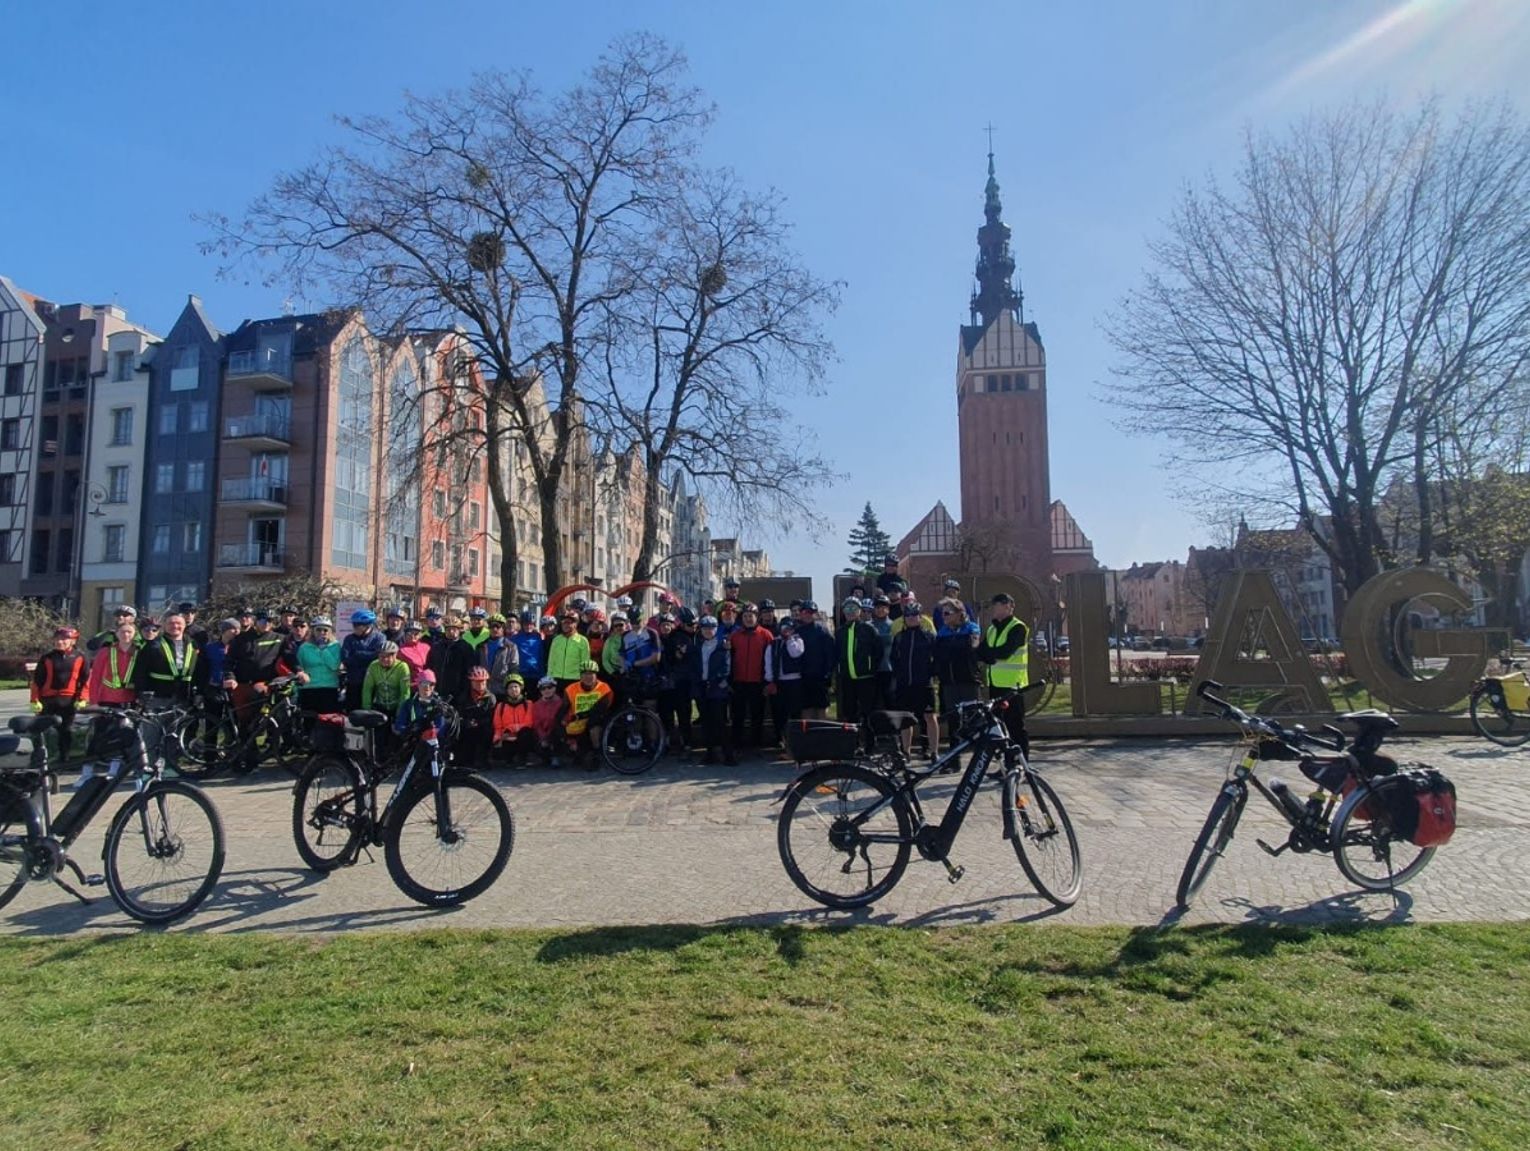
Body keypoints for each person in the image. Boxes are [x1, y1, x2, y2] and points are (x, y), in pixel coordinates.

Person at [80, 620, 140, 788]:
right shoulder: (107, 652)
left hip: (128, 700)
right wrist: (94, 703)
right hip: (106, 699)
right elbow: (96, 677)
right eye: (123, 632)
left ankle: (114, 771)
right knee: (99, 735)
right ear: (117, 634)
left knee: (123, 737)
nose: (126, 635)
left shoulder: (138, 652)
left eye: (129, 632)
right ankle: (86, 772)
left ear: (134, 634)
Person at [977, 592, 1032, 758]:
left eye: (996, 605)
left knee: (1015, 726)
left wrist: (989, 655)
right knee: (999, 727)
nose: (993, 609)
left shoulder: (1018, 627)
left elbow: (1005, 652)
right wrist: (989, 655)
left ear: (1008, 606)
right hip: (996, 684)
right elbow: (981, 651)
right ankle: (1006, 763)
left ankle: (1022, 763)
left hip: (1013, 686)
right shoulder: (993, 628)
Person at [30, 626, 88, 762]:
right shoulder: (47, 658)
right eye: (57, 639)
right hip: (47, 699)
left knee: (65, 730)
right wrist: (34, 700)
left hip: (68, 700)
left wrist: (83, 698)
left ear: (73, 641)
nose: (59, 642)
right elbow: (37, 680)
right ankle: (39, 757)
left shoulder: (80, 657)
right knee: (39, 730)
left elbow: (85, 680)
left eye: (64, 639)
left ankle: (64, 758)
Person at [891, 602, 940, 761]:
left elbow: (936, 659)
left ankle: (934, 751)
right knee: (906, 719)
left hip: (924, 684)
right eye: (908, 616)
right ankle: (906, 752)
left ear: (920, 617)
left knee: (930, 717)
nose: (911, 618)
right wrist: (899, 675)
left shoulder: (928, 636)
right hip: (904, 684)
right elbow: (894, 658)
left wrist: (930, 673)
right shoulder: (899, 637)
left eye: (914, 615)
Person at [933, 597, 983, 743]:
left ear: (958, 613)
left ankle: (978, 748)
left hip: (968, 679)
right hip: (949, 681)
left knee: (974, 716)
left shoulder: (972, 628)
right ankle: (954, 755)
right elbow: (938, 654)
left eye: (947, 613)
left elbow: (971, 647)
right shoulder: (942, 632)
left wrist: (951, 648)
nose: (944, 616)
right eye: (942, 613)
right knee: (953, 718)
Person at [688, 615, 734, 765]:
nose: (708, 631)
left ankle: (728, 754)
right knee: (706, 723)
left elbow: (726, 668)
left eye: (711, 628)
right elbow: (694, 667)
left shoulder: (723, 646)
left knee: (720, 722)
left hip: (717, 688)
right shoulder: (697, 646)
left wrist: (718, 681)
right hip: (701, 688)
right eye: (705, 628)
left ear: (716, 629)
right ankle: (710, 753)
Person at [728, 603, 772, 750]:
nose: (748, 619)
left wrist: (768, 681)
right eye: (745, 616)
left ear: (756, 617)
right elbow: (729, 657)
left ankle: (756, 745)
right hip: (739, 681)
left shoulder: (765, 635)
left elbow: (771, 660)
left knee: (757, 716)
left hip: (758, 681)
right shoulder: (735, 636)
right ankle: (736, 744)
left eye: (751, 616)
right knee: (738, 715)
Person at [836, 597, 883, 730]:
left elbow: (878, 652)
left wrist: (870, 668)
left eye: (854, 608)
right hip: (848, 679)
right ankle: (853, 744)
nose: (850, 611)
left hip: (866, 679)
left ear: (860, 611)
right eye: (847, 608)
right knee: (850, 713)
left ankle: (869, 744)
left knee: (868, 713)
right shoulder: (840, 632)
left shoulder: (869, 629)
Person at [134, 611, 200, 706]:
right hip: (159, 696)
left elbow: (200, 670)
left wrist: (199, 692)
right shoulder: (153, 645)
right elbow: (140, 670)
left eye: (178, 623)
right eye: (171, 623)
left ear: (185, 625)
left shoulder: (193, 645)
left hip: (185, 695)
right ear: (164, 626)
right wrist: (141, 692)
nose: (175, 626)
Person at [561, 660, 613, 769]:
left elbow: (600, 710)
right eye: (585, 674)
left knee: (594, 726)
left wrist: (583, 715)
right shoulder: (570, 689)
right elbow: (562, 712)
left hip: (596, 723)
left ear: (596, 675)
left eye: (591, 674)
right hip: (578, 725)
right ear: (580, 675)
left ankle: (598, 752)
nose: (588, 677)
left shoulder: (605, 688)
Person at [659, 610, 696, 754]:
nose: (666, 628)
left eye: (669, 625)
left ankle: (686, 743)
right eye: (663, 625)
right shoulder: (664, 638)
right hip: (669, 683)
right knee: (667, 715)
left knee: (684, 715)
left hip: (682, 682)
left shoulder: (685, 636)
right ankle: (670, 742)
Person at [764, 617, 804, 742]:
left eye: (789, 628)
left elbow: (795, 653)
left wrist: (789, 639)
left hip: (794, 681)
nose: (786, 631)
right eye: (784, 628)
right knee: (779, 713)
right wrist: (770, 680)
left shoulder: (798, 641)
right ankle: (779, 738)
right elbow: (768, 661)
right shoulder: (774, 643)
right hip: (778, 681)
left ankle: (795, 739)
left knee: (795, 712)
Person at [794, 601, 834, 721]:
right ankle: (807, 738)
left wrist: (828, 674)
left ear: (815, 614)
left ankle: (822, 735)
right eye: (805, 612)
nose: (808, 615)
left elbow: (831, 655)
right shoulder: (796, 632)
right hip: (803, 677)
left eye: (811, 612)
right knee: (806, 708)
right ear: (800, 613)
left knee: (821, 708)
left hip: (820, 676)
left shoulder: (823, 631)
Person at [294, 616, 343, 713]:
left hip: (329, 688)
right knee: (309, 723)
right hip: (309, 688)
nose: (322, 633)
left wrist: (324, 649)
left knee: (328, 723)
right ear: (313, 631)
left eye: (325, 630)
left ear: (330, 632)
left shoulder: (335, 646)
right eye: (318, 630)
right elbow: (299, 668)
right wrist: (296, 692)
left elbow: (334, 666)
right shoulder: (304, 647)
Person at [340, 609, 385, 710]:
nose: (354, 627)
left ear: (367, 625)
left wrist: (357, 654)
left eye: (357, 625)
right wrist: (367, 656)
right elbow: (346, 658)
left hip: (373, 682)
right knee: (352, 712)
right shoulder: (349, 639)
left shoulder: (380, 638)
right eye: (353, 625)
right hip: (354, 681)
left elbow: (378, 657)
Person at [428, 616, 478, 704]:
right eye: (448, 629)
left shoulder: (466, 647)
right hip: (438, 691)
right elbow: (430, 666)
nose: (451, 632)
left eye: (454, 629)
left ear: (459, 630)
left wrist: (464, 692)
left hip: (457, 693)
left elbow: (470, 671)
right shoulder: (437, 646)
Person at [454, 665, 496, 767]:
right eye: (477, 682)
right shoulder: (463, 697)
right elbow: (457, 715)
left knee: (487, 731)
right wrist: (466, 722)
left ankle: (483, 758)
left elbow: (492, 717)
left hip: (483, 726)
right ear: (471, 682)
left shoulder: (491, 698)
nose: (480, 684)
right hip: (467, 726)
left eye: (483, 681)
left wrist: (479, 723)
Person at [491, 674, 537, 767]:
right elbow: (497, 726)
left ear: (521, 688)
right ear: (507, 690)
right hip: (506, 737)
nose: (513, 690)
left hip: (520, 736)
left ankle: (523, 757)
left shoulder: (528, 704)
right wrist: (497, 739)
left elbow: (529, 723)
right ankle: (509, 758)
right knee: (497, 753)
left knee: (526, 734)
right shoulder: (501, 706)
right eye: (510, 687)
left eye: (516, 686)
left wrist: (510, 729)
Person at [361, 640, 412, 720]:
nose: (384, 659)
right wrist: (367, 709)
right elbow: (367, 688)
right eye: (381, 656)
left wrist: (400, 712)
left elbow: (405, 693)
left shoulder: (402, 667)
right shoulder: (373, 666)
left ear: (395, 655)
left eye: (388, 656)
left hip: (397, 706)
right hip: (380, 706)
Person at [545, 612, 590, 692]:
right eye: (563, 623)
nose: (565, 625)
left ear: (575, 624)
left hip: (575, 679)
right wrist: (549, 677)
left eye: (569, 623)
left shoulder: (582, 641)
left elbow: (585, 663)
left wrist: (584, 679)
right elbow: (551, 660)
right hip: (557, 678)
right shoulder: (556, 640)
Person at [869, 594, 896, 710]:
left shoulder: (894, 625)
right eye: (878, 607)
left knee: (890, 700)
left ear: (888, 609)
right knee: (874, 701)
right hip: (872, 669)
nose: (881, 609)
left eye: (884, 607)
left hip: (889, 669)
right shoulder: (868, 626)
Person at [486, 625, 521, 700]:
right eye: (492, 626)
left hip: (502, 689)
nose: (495, 629)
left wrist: (511, 687)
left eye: (498, 627)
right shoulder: (481, 646)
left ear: (503, 629)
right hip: (485, 689)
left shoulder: (511, 646)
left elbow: (514, 667)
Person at [513, 611, 545, 684]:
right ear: (522, 624)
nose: (528, 626)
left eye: (531, 624)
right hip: (520, 674)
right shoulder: (515, 638)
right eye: (526, 624)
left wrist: (542, 673)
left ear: (534, 625)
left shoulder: (538, 637)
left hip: (536, 674)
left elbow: (541, 655)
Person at [398, 619, 431, 685]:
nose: (412, 636)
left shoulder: (426, 647)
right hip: (412, 686)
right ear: (405, 635)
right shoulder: (401, 651)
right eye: (409, 633)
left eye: (416, 634)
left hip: (428, 685)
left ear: (420, 635)